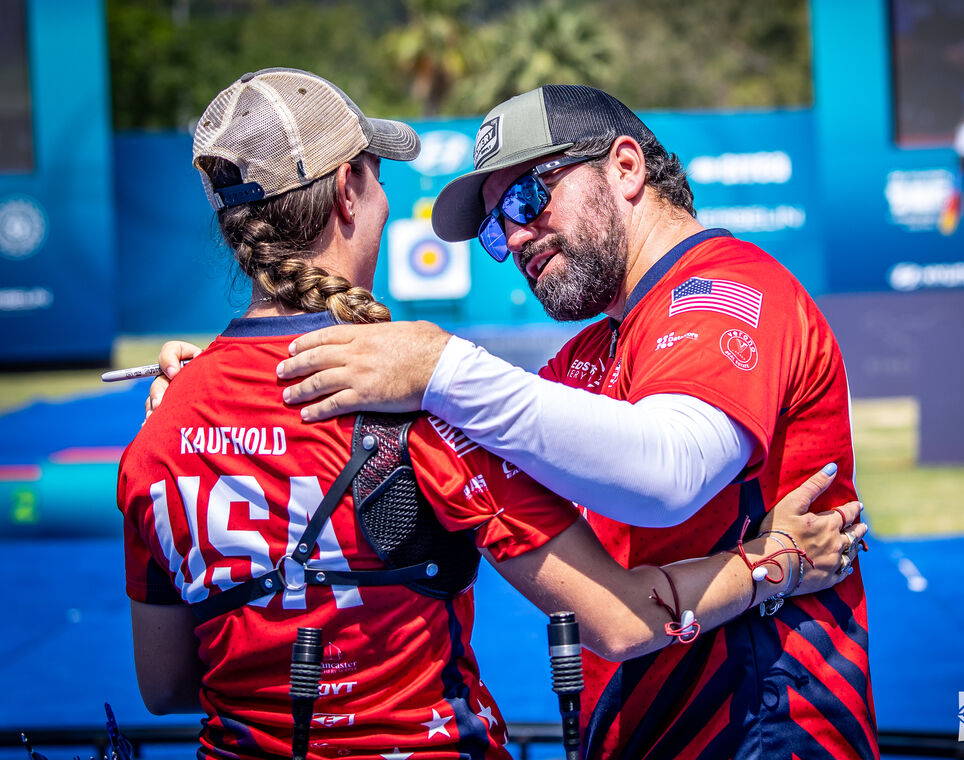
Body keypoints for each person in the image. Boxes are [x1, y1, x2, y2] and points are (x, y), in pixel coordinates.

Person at [121, 70, 866, 760]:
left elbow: (666, 471)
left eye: (526, 198)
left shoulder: (726, 291)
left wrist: (438, 367)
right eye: (495, 224)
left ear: (628, 167)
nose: (510, 239)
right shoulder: (584, 354)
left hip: (760, 724)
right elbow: (592, 564)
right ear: (349, 190)